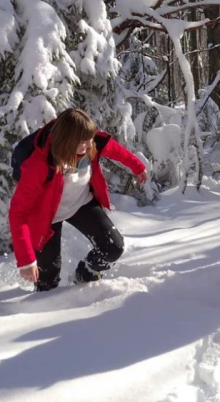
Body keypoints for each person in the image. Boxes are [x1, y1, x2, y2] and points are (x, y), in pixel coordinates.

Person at [8, 108, 148, 291]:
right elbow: (18, 213)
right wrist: (26, 260)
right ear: (66, 140)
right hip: (47, 218)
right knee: (47, 282)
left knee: (113, 247)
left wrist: (137, 167)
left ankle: (85, 274)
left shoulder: (91, 143)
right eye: (82, 141)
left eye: (89, 139)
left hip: (81, 204)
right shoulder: (40, 164)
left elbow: (115, 150)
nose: (88, 145)